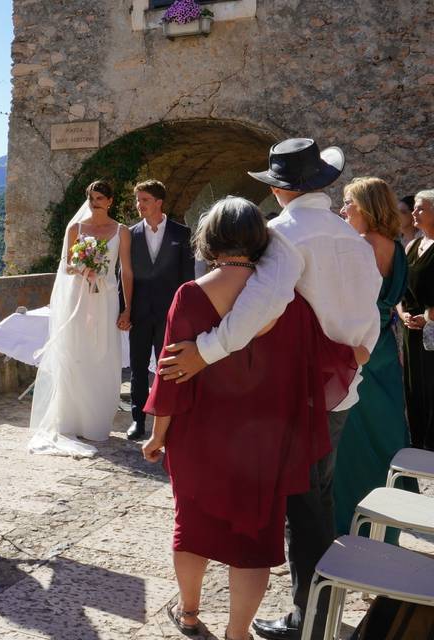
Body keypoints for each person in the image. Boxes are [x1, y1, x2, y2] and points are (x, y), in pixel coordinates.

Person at [156, 139, 382, 640]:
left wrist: (205, 352)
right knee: (317, 506)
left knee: (292, 512)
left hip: (296, 393)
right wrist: (359, 354)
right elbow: (371, 311)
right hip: (341, 387)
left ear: (279, 189)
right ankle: (316, 611)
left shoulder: (280, 237)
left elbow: (263, 307)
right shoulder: (353, 239)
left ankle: (308, 617)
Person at [334, 177, 417, 541]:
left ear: (365, 206)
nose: (343, 209)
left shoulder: (360, 246)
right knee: (386, 435)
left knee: (353, 441)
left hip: (359, 349)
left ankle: (353, 525)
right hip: (384, 349)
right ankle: (388, 524)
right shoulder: (397, 249)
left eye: (348, 203)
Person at [27, 180, 132, 456]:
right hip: (78, 300)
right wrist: (84, 268)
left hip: (106, 300)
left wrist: (127, 307)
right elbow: (66, 266)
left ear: (110, 201)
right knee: (76, 354)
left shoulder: (121, 231)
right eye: (91, 197)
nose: (95, 202)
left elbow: (127, 272)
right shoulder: (75, 229)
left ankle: (97, 422)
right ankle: (71, 419)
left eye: (100, 198)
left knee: (104, 356)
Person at [125, 180, 194, 442]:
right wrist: (125, 310)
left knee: (167, 369)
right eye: (137, 200)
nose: (139, 205)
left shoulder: (182, 233)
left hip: (170, 314)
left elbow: (187, 279)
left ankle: (167, 420)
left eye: (144, 200)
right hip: (140, 313)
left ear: (158, 202)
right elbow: (125, 275)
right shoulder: (130, 234)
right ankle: (137, 420)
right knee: (138, 367)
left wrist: (185, 315)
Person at [398, 189, 434, 451]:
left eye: (421, 208)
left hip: (431, 328)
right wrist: (402, 314)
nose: (414, 212)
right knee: (415, 387)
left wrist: (429, 318)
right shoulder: (412, 246)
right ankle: (419, 444)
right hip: (412, 329)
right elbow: (400, 287)